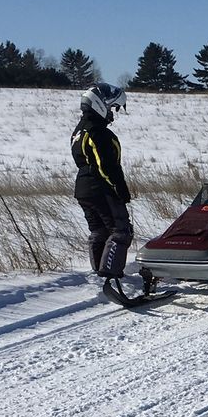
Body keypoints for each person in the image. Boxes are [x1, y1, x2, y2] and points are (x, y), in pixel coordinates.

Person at [72, 84, 132, 278]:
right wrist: (120, 190)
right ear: (100, 105)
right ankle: (111, 274)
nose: (112, 114)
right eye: (112, 108)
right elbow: (105, 166)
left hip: (83, 188)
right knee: (121, 230)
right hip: (101, 188)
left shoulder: (79, 130)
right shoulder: (98, 132)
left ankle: (99, 272)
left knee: (99, 230)